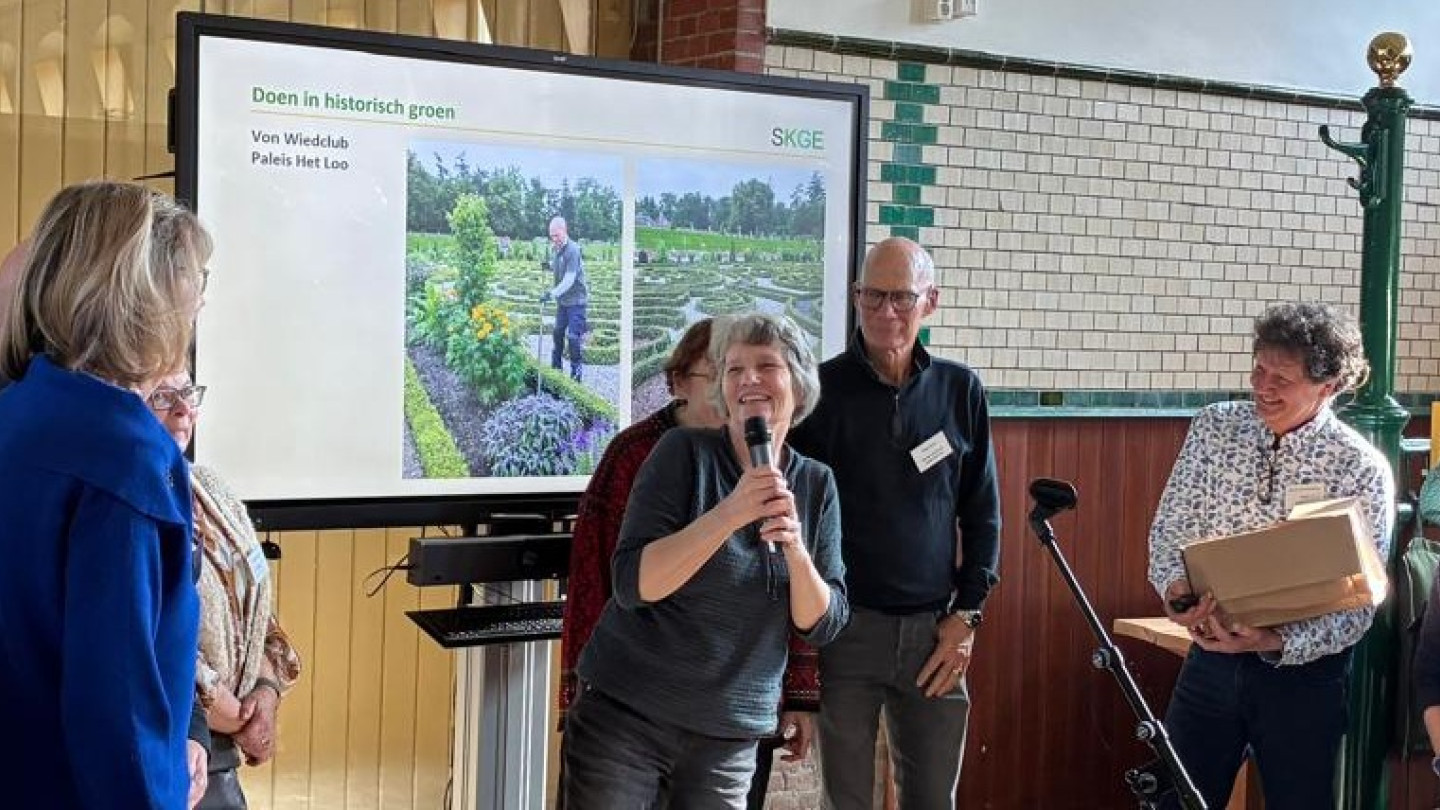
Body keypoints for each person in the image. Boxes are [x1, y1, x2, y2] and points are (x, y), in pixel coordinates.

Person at [564, 313, 850, 809]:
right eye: (734, 369)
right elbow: (633, 583)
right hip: (626, 721)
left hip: (728, 740)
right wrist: (730, 513)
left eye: (766, 366)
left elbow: (822, 623)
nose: (749, 380)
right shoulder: (681, 454)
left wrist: (796, 552)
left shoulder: (817, 484)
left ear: (798, 386)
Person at [0, 180, 212, 809]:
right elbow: (117, 717)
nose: (199, 306)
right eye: (193, 286)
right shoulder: (126, 460)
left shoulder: (19, 413)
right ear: (143, 304)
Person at [1148, 302, 1394, 810]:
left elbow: (1360, 602)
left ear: (1327, 387)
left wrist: (1276, 640)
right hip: (1210, 657)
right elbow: (1170, 529)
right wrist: (1176, 594)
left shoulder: (1360, 467)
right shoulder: (1216, 427)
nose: (1263, 387)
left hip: (1304, 675)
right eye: (1258, 369)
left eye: (1282, 379)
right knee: (1176, 800)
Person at [790, 236, 1001, 810]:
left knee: (933, 799)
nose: (886, 312)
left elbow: (983, 513)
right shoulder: (818, 393)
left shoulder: (961, 391)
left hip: (935, 636)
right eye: (873, 296)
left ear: (929, 301)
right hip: (843, 634)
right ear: (856, 298)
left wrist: (968, 616)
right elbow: (794, 523)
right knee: (846, 801)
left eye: (902, 298)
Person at [148, 369, 302, 809]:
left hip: (227, 750)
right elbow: (159, 631)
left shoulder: (211, 487)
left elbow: (260, 615)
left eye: (187, 392)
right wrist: (236, 717)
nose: (182, 408)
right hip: (181, 747)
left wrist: (267, 694)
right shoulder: (132, 506)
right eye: (162, 396)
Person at [540, 216, 588, 382]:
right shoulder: (557, 249)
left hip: (576, 302)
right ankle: (556, 368)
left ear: (564, 230)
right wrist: (548, 266)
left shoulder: (573, 249)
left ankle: (576, 375)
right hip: (563, 302)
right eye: (551, 236)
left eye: (557, 235)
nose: (554, 239)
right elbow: (558, 266)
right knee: (557, 332)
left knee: (574, 337)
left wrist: (551, 294)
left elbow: (569, 279)